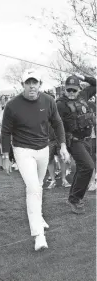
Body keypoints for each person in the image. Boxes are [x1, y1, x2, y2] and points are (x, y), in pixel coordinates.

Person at [1, 69, 70, 251]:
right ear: (23, 84)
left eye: (35, 82)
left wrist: (63, 145)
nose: (32, 86)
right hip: (22, 150)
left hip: (43, 148)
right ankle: (39, 235)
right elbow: (5, 131)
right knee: (32, 188)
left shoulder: (48, 100)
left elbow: (57, 123)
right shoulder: (12, 105)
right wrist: (4, 156)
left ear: (40, 84)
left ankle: (38, 216)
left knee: (38, 186)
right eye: (28, 82)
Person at [56, 73, 96, 213]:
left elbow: (95, 84)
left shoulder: (83, 96)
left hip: (86, 139)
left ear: (79, 89)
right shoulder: (60, 105)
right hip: (73, 141)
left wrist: (83, 77)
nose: (71, 93)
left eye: (74, 89)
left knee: (82, 168)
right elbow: (56, 126)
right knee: (88, 167)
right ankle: (75, 199)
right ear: (64, 89)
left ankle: (73, 197)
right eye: (69, 90)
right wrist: (61, 147)